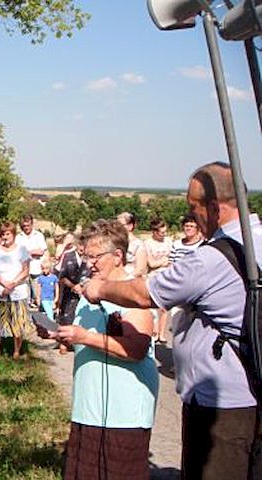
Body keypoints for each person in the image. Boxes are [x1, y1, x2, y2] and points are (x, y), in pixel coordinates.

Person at [83, 162, 262, 480]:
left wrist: (99, 289)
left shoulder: (210, 259)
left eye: (193, 208)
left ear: (213, 208)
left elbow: (144, 294)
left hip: (223, 406)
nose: (191, 216)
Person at [38, 219, 158, 480]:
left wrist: (85, 337)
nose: (89, 264)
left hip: (123, 413)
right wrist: (62, 336)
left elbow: (136, 349)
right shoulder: (88, 293)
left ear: (117, 256)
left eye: (95, 257)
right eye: (86, 257)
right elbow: (86, 339)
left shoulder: (132, 294)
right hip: (88, 408)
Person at [0, 221, 32, 361]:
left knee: (17, 324)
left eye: (8, 234)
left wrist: (12, 285)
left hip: (18, 292)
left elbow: (25, 270)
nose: (5, 237)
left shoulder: (22, 250)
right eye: (3, 234)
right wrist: (4, 284)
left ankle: (17, 352)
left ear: (13, 234)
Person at [145, 217, 173, 344]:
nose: (164, 234)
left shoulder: (168, 241)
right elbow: (151, 263)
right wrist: (163, 261)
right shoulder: (148, 243)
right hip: (153, 276)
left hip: (166, 275)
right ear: (155, 232)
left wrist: (164, 262)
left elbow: (171, 259)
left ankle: (162, 334)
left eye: (165, 232)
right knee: (153, 306)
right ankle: (154, 332)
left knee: (164, 307)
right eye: (162, 232)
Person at [18, 214, 48, 308]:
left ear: (32, 224)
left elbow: (41, 251)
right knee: (25, 297)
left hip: (36, 269)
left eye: (28, 225)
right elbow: (17, 253)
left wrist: (28, 252)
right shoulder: (18, 237)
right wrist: (33, 252)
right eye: (24, 226)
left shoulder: (38, 236)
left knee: (37, 295)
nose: (26, 228)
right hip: (23, 270)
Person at [58, 236, 88, 326]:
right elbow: (62, 277)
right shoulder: (68, 256)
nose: (82, 248)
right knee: (67, 322)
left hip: (84, 295)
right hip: (69, 295)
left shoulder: (89, 258)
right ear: (76, 245)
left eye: (84, 246)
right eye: (80, 245)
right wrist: (73, 287)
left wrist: (82, 286)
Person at [117, 212, 147, 278]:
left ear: (130, 226)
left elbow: (140, 269)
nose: (117, 228)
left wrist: (125, 279)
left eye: (121, 225)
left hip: (131, 280)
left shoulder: (138, 244)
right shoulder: (115, 243)